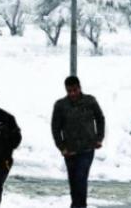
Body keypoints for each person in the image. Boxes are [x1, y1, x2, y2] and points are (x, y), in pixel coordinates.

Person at [51, 76, 105, 208]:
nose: (72, 94)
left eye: (75, 90)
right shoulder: (61, 105)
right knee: (74, 183)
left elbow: (100, 118)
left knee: (81, 178)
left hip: (87, 149)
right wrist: (61, 146)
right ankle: (77, 205)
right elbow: (55, 128)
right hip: (70, 151)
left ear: (79, 88)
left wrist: (99, 138)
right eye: (69, 91)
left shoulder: (90, 101)